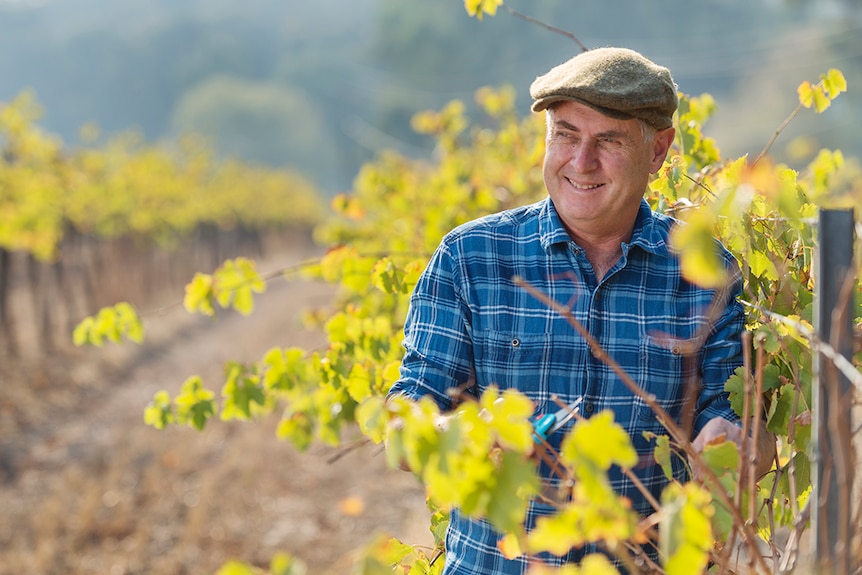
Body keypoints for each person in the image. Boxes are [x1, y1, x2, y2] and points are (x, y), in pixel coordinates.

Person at [387, 46, 775, 573]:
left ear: (658, 151)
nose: (581, 161)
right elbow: (406, 421)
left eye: (608, 141)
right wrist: (471, 436)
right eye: (565, 134)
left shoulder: (707, 274)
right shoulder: (470, 258)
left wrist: (733, 443)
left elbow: (729, 421)